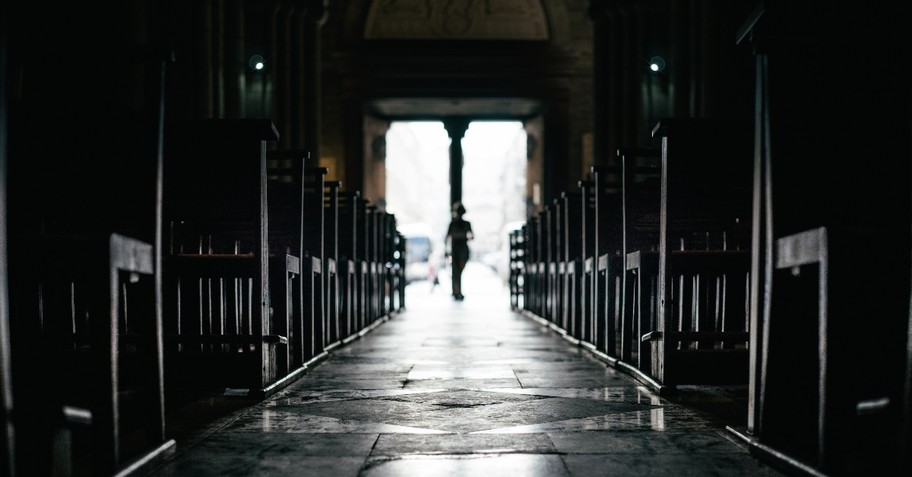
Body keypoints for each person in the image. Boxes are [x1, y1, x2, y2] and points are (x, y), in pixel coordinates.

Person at [445, 202, 473, 300]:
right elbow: (447, 237)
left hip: (460, 250)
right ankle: (457, 291)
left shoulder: (463, 224)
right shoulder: (454, 224)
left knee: (458, 271)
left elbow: (472, 236)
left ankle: (457, 291)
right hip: (457, 250)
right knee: (456, 271)